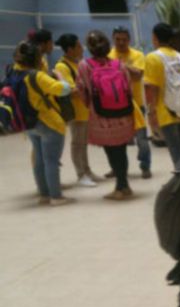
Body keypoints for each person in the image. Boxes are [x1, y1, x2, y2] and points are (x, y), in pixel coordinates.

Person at [77, 30, 138, 201]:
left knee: (111, 151)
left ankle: (121, 187)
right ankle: (124, 185)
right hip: (123, 114)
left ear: (89, 48)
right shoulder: (119, 64)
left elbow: (82, 90)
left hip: (102, 116)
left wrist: (91, 105)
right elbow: (129, 89)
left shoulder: (85, 65)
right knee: (121, 150)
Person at [12, 41, 73, 206]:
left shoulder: (14, 73)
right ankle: (56, 196)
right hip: (48, 123)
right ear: (37, 59)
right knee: (51, 160)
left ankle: (44, 194)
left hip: (29, 123)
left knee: (39, 160)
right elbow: (63, 89)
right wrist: (60, 78)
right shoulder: (37, 76)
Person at [54, 33, 102, 187]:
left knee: (83, 143)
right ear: (70, 49)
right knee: (77, 144)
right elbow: (69, 89)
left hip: (85, 110)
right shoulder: (62, 66)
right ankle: (80, 174)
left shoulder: (78, 63)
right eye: (79, 46)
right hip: (75, 112)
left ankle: (87, 170)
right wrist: (87, 87)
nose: (82, 48)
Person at [144, 23, 180, 165]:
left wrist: (151, 113)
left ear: (155, 38)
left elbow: (152, 88)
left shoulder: (153, 57)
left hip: (165, 111)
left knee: (175, 150)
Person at [109, 26, 152, 179]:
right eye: (118, 40)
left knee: (142, 140)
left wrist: (119, 66)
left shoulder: (138, 55)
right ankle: (117, 168)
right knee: (115, 141)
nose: (121, 43)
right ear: (113, 39)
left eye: (124, 40)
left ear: (129, 40)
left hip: (137, 104)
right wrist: (126, 69)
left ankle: (145, 167)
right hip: (114, 105)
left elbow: (137, 76)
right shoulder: (108, 55)